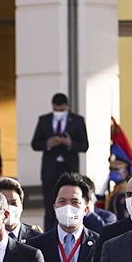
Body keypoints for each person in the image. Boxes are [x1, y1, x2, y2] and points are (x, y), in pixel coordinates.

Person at [30, 93, 88, 232]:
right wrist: (48, 144)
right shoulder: (44, 120)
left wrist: (69, 143)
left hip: (69, 167)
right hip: (50, 168)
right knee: (50, 203)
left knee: (70, 200)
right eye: (56, 109)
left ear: (67, 106)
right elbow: (35, 144)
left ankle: (72, 228)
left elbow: (84, 145)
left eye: (62, 110)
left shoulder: (77, 120)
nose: (59, 112)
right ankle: (49, 232)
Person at [0, 177, 42, 242]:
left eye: (14, 203)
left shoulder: (37, 237)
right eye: (4, 203)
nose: (9, 208)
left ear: (21, 205)